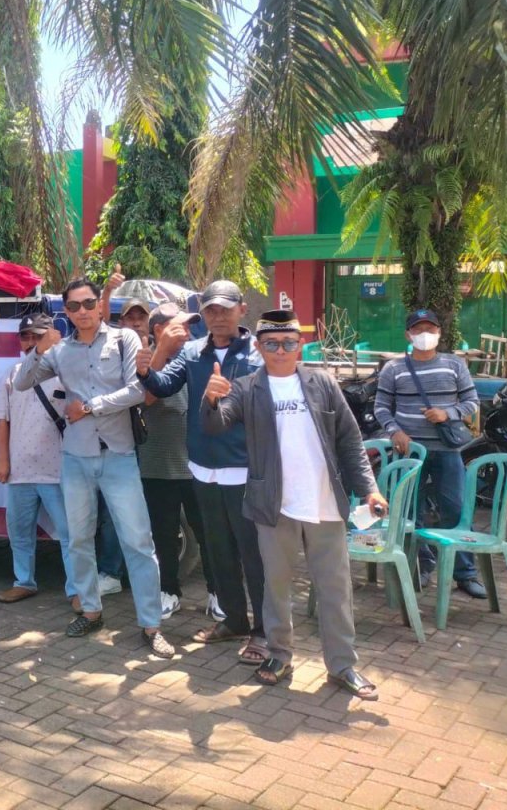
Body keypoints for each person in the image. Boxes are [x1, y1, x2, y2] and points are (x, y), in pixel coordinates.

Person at [203, 310, 388, 699]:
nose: (280, 350)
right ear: (259, 347)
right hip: (274, 506)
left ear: (300, 345)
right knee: (275, 587)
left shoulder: (323, 383)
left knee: (335, 588)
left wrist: (369, 489)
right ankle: (279, 654)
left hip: (324, 503)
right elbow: (216, 425)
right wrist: (211, 400)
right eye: (271, 343)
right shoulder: (246, 387)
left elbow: (350, 440)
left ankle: (342, 665)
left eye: (288, 342)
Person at [16, 278, 174, 659]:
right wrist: (39, 349)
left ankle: (151, 625)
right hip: (76, 458)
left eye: (89, 303)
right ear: (66, 312)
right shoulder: (60, 352)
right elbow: (22, 382)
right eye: (74, 306)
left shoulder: (124, 340)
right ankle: (90, 611)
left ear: (99, 305)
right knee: (78, 539)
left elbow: (137, 391)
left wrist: (89, 407)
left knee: (138, 542)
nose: (83, 311)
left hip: (118, 456)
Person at [139, 280, 267, 663]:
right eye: (211, 309)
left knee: (253, 555)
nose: (218, 315)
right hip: (203, 469)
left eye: (225, 308)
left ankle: (264, 630)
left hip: (244, 470)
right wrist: (146, 369)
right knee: (218, 549)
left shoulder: (259, 354)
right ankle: (234, 620)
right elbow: (163, 386)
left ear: (242, 309)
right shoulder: (193, 353)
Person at [374, 308, 485, 599]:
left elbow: (472, 401)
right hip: (410, 453)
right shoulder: (394, 369)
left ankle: (465, 573)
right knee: (412, 511)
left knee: (456, 511)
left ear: (439, 332)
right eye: (418, 329)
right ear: (408, 335)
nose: (425, 334)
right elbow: (381, 407)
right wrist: (394, 431)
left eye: (430, 329)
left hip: (447, 450)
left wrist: (448, 413)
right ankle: (421, 565)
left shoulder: (454, 364)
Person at [120, 299, 216, 620]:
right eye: (180, 325)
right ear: (159, 329)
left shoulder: (196, 356)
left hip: (197, 464)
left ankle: (217, 592)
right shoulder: (142, 358)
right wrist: (160, 350)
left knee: (208, 532)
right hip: (158, 463)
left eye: (189, 326)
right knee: (163, 535)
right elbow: (144, 398)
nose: (187, 331)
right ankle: (169, 591)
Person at [0, 314, 78, 608]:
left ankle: (77, 591)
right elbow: (2, 421)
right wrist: (3, 461)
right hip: (19, 471)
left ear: (50, 337)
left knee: (70, 535)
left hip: (58, 470)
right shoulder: (13, 374)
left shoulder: (65, 371)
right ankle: (24, 582)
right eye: (25, 336)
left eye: (37, 336)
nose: (30, 342)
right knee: (19, 533)